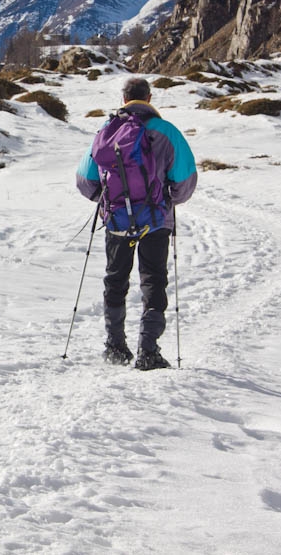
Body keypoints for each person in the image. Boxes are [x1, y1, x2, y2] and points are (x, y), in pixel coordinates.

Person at [75, 77, 197, 370]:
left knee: (116, 278)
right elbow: (185, 180)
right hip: (155, 221)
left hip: (117, 219)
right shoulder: (167, 132)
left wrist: (106, 201)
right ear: (149, 98)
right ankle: (149, 351)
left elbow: (85, 180)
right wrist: (169, 200)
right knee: (153, 279)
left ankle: (115, 347)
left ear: (124, 98)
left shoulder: (107, 130)